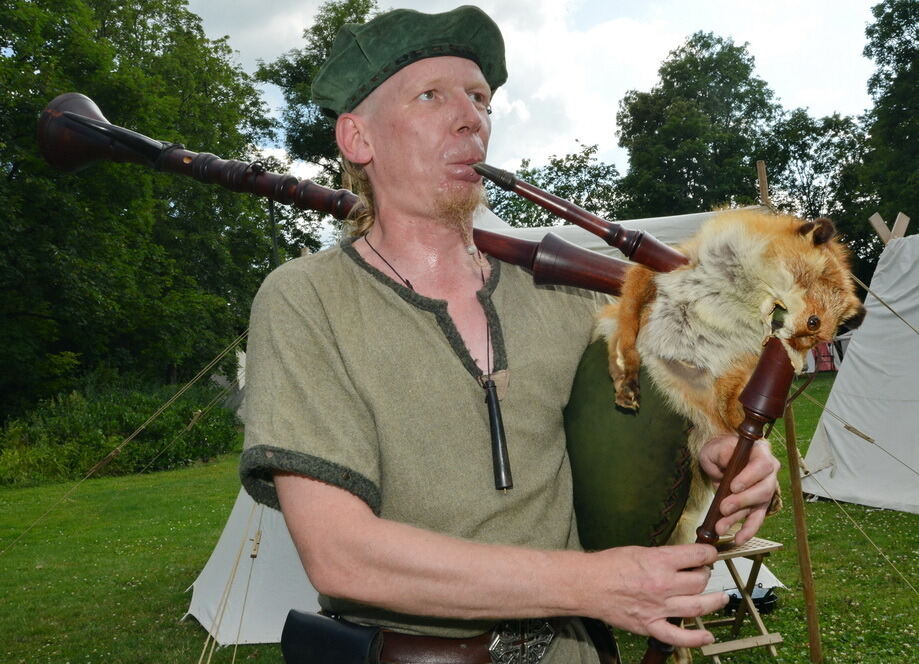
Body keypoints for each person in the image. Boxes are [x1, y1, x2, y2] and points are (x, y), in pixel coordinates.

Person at [240, 6, 781, 664]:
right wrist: (593, 586)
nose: (470, 117)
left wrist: (719, 457)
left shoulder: (564, 294)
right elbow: (341, 557)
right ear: (359, 139)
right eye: (430, 96)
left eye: (479, 99)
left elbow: (640, 431)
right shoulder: (307, 299)